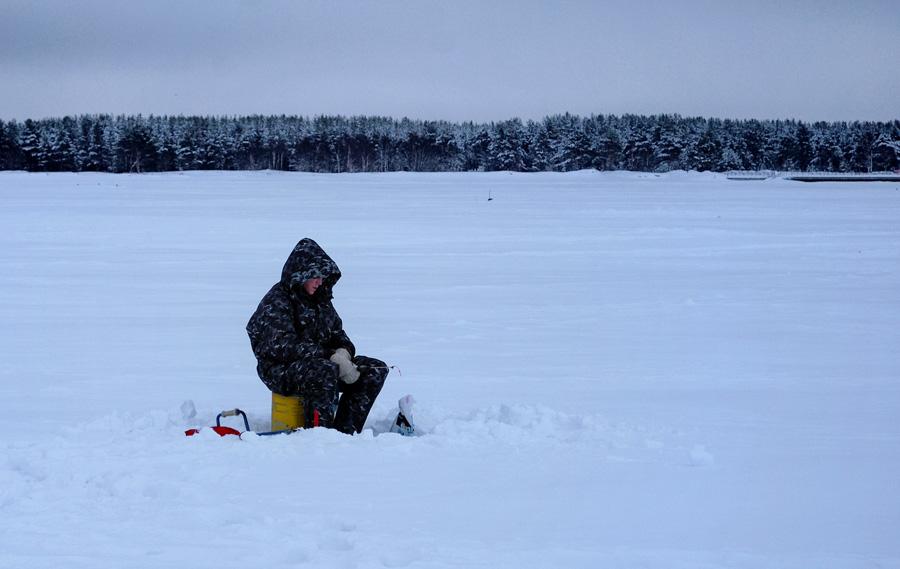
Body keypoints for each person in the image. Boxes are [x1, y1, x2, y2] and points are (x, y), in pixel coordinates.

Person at [246, 238, 388, 434]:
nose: (320, 282)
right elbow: (281, 346)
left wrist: (344, 353)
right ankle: (319, 435)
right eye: (316, 276)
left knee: (374, 369)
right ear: (301, 274)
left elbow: (340, 335)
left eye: (323, 277)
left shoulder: (321, 301)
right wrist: (329, 355)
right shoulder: (278, 300)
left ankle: (346, 433)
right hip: (280, 370)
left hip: (320, 363)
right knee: (324, 370)